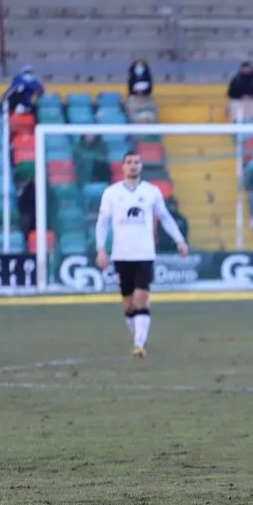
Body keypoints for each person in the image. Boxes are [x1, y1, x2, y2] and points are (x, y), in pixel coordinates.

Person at [95, 151, 189, 358]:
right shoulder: (111, 193)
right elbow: (102, 222)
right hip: (121, 255)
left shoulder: (151, 192)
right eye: (129, 162)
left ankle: (139, 344)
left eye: (136, 162)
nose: (133, 165)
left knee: (142, 297)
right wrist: (100, 249)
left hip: (145, 253)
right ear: (123, 166)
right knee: (128, 303)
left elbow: (164, 217)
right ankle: (138, 334)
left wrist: (179, 240)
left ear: (141, 166)